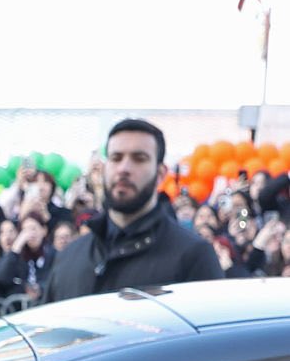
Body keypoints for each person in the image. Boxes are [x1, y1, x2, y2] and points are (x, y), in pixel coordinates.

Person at [42, 119, 223, 301]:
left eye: (139, 159)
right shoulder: (70, 257)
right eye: (116, 158)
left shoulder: (194, 255)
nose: (124, 168)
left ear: (160, 173)